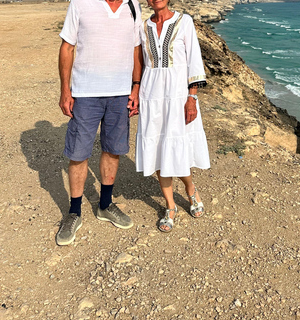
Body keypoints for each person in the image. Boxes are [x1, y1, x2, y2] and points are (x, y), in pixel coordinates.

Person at [56, 0, 143, 245]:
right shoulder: (80, 3)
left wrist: (136, 87)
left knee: (113, 150)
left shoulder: (133, 5)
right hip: (85, 93)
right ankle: (74, 212)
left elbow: (136, 49)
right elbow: (67, 47)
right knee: (78, 153)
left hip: (120, 93)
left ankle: (105, 205)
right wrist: (65, 90)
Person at [136, 0, 210, 232]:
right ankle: (170, 205)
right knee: (157, 148)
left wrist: (192, 97)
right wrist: (135, 90)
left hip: (178, 96)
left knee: (177, 147)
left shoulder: (184, 21)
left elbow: (194, 60)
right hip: (151, 95)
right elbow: (140, 61)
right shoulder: (143, 26)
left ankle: (190, 190)